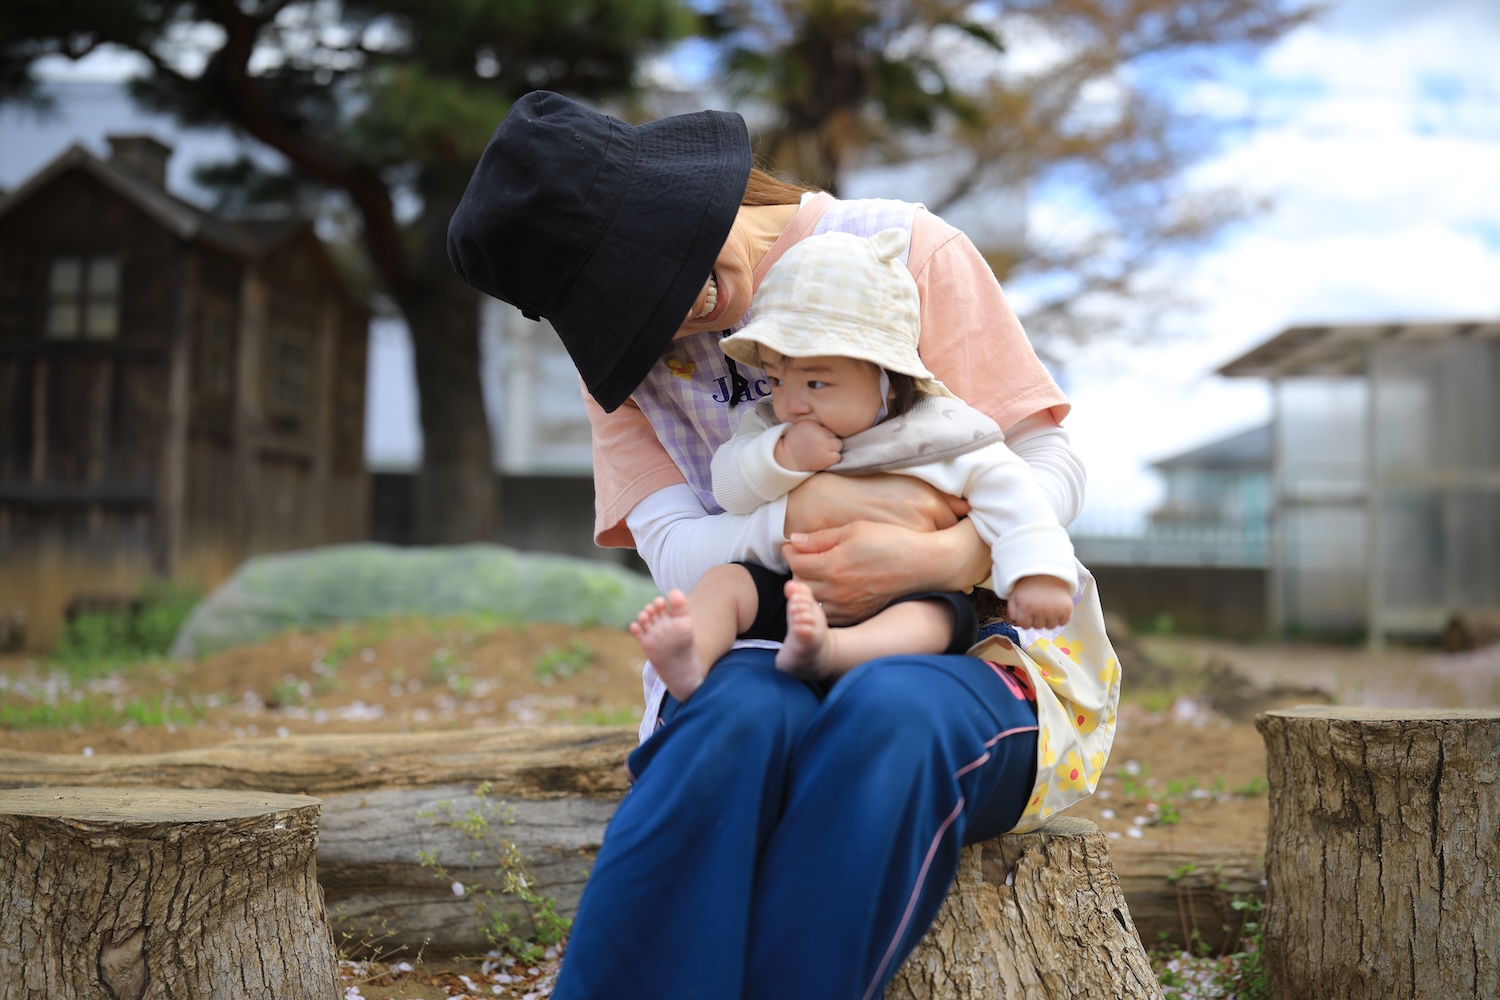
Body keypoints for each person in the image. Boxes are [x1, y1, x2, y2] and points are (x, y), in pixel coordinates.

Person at [447, 90, 1119, 1000]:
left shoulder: (904, 252)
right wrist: (794, 518)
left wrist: (949, 558)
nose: (675, 319)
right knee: (735, 722)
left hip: (975, 648)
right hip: (761, 638)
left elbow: (1045, 458)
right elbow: (674, 550)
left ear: (682, 203)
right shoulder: (622, 371)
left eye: (659, 277)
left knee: (887, 713)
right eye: (630, 313)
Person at [631, 227, 1079, 705]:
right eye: (777, 380)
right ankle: (692, 655)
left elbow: (1016, 496)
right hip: (794, 591)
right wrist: (778, 457)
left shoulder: (942, 433)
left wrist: (1038, 574)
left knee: (937, 618)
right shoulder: (771, 428)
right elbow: (729, 488)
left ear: (889, 380)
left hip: (907, 594)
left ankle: (833, 652)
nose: (792, 404)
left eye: (816, 384)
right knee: (727, 584)